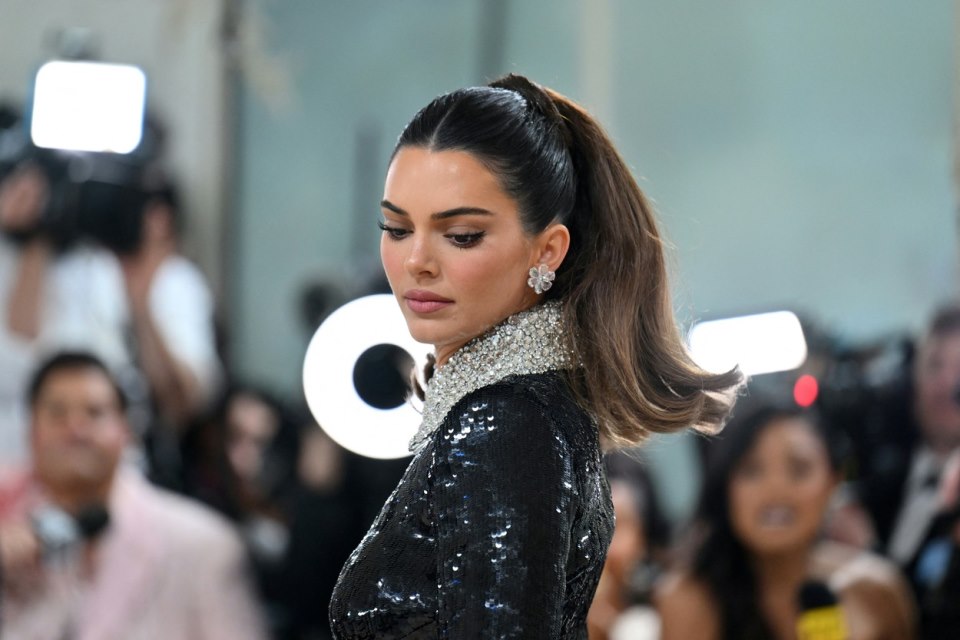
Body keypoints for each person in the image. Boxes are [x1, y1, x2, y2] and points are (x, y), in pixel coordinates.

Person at [327, 73, 742, 638]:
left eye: (462, 235)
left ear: (547, 250)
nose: (416, 261)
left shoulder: (504, 426)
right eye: (396, 228)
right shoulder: (527, 411)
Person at [0, 351, 267, 639]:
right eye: (57, 414)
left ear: (125, 431)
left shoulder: (204, 545)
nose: (76, 429)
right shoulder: (8, 528)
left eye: (94, 413)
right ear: (31, 430)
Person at [655, 401, 916, 640]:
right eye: (752, 470)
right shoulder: (687, 599)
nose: (776, 491)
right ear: (726, 487)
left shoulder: (876, 590)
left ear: (833, 482)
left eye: (799, 469)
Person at [0, 153, 131, 465]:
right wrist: (35, 240)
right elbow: (17, 347)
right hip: (13, 447)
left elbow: (109, 365)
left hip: (89, 447)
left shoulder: (97, 266)